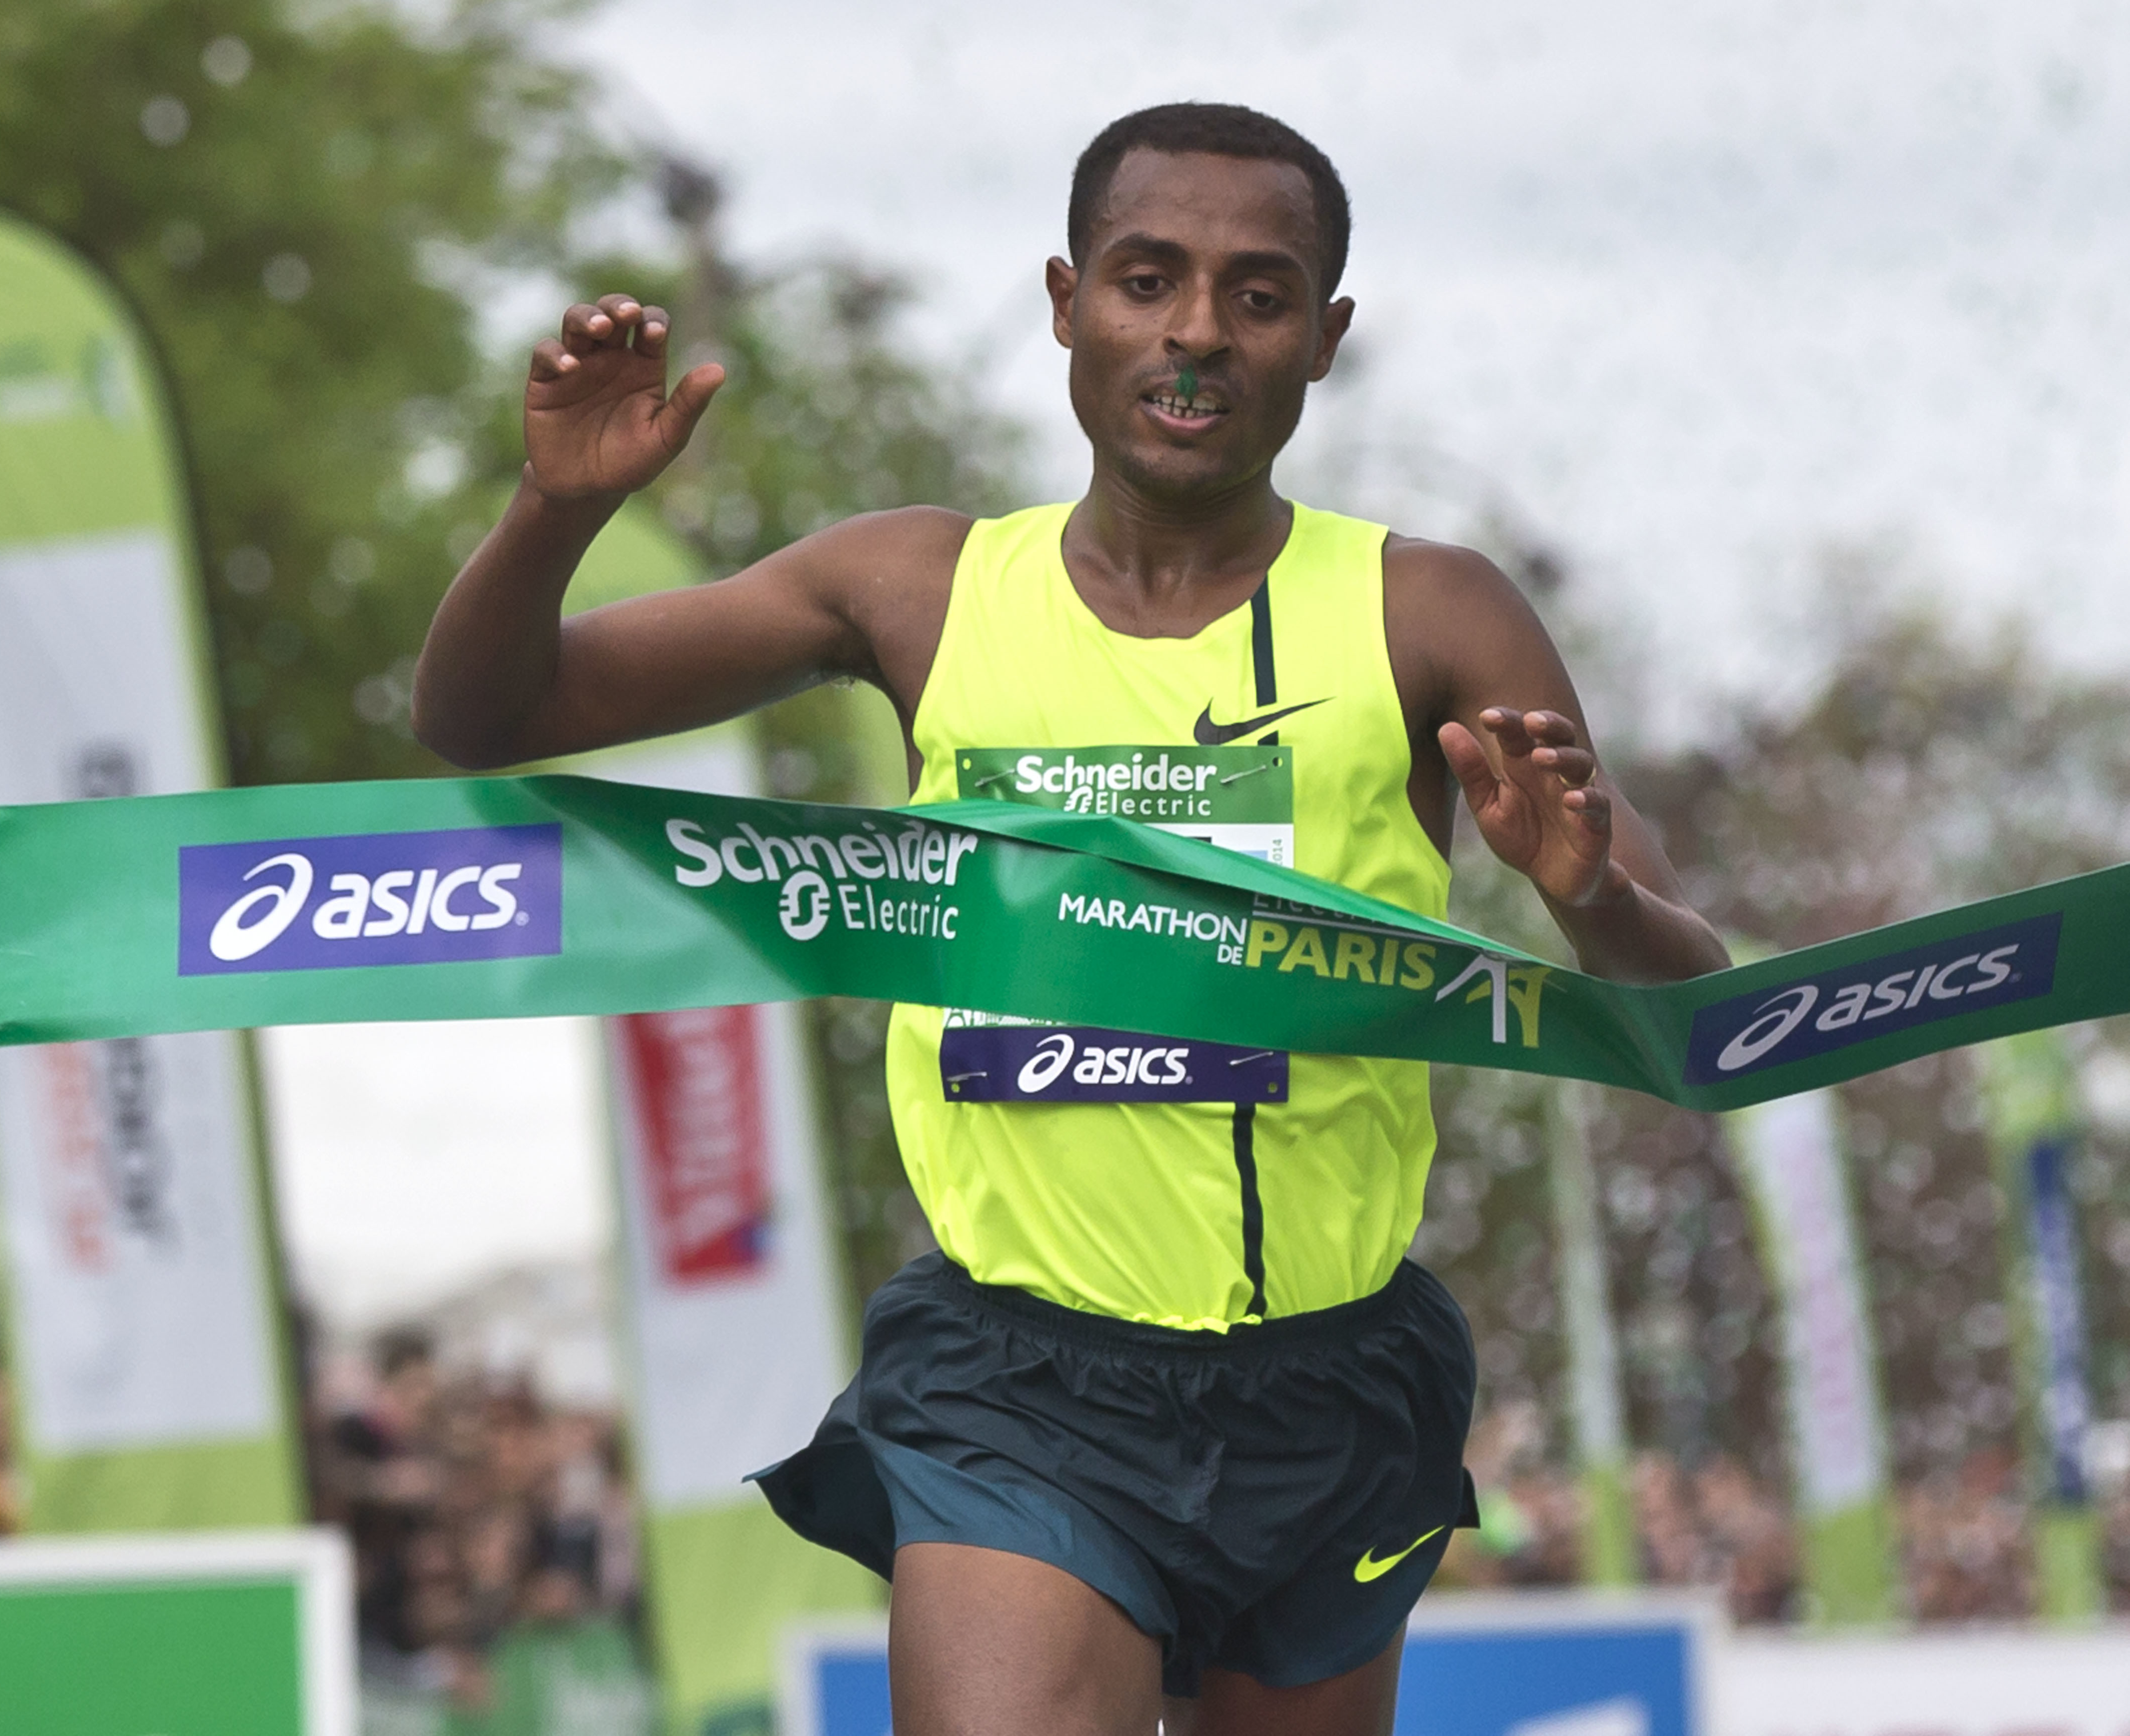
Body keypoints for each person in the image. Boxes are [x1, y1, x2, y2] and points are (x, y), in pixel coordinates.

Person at [414, 101, 1727, 1736]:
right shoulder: (916, 588)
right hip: (1013, 1384)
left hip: (1331, 1381)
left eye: (1257, 296)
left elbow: (1692, 1009)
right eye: (1146, 279)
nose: (1196, 332)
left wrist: (1588, 890)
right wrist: (553, 513)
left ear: (1324, 340)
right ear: (1064, 301)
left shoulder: (1428, 609)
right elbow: (482, 717)